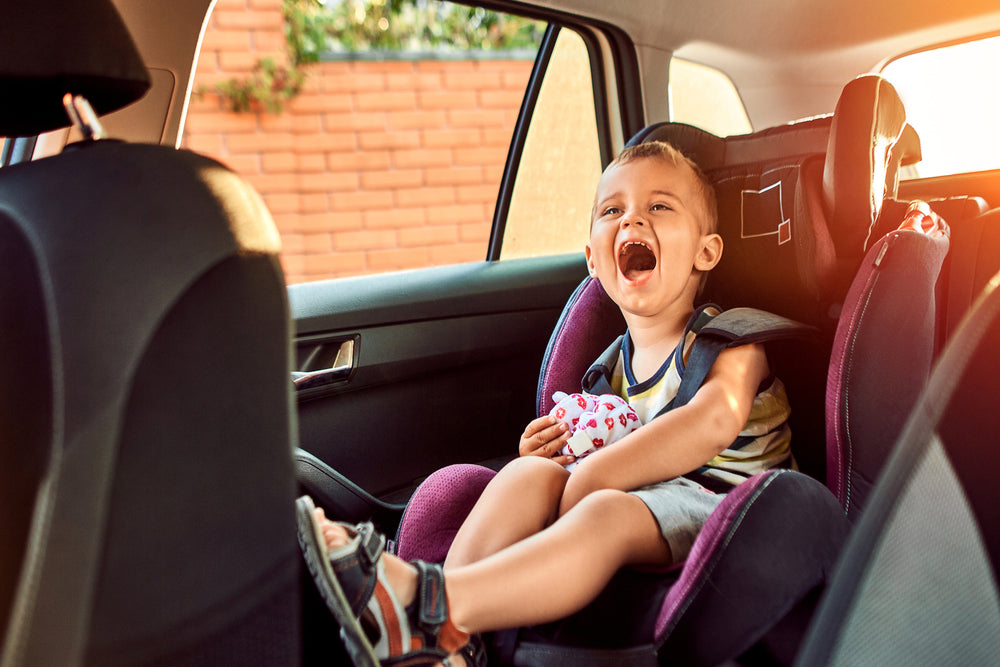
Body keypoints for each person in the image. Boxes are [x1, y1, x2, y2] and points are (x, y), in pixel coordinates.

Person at [297, 140, 793, 667]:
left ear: (706, 251)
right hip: (637, 495)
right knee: (526, 474)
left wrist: (593, 475)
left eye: (659, 206)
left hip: (729, 503)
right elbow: (594, 453)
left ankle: (431, 604)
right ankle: (442, 635)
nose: (632, 221)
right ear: (592, 261)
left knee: (604, 511)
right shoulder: (608, 368)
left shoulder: (731, 340)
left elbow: (713, 420)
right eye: (612, 211)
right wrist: (553, 451)